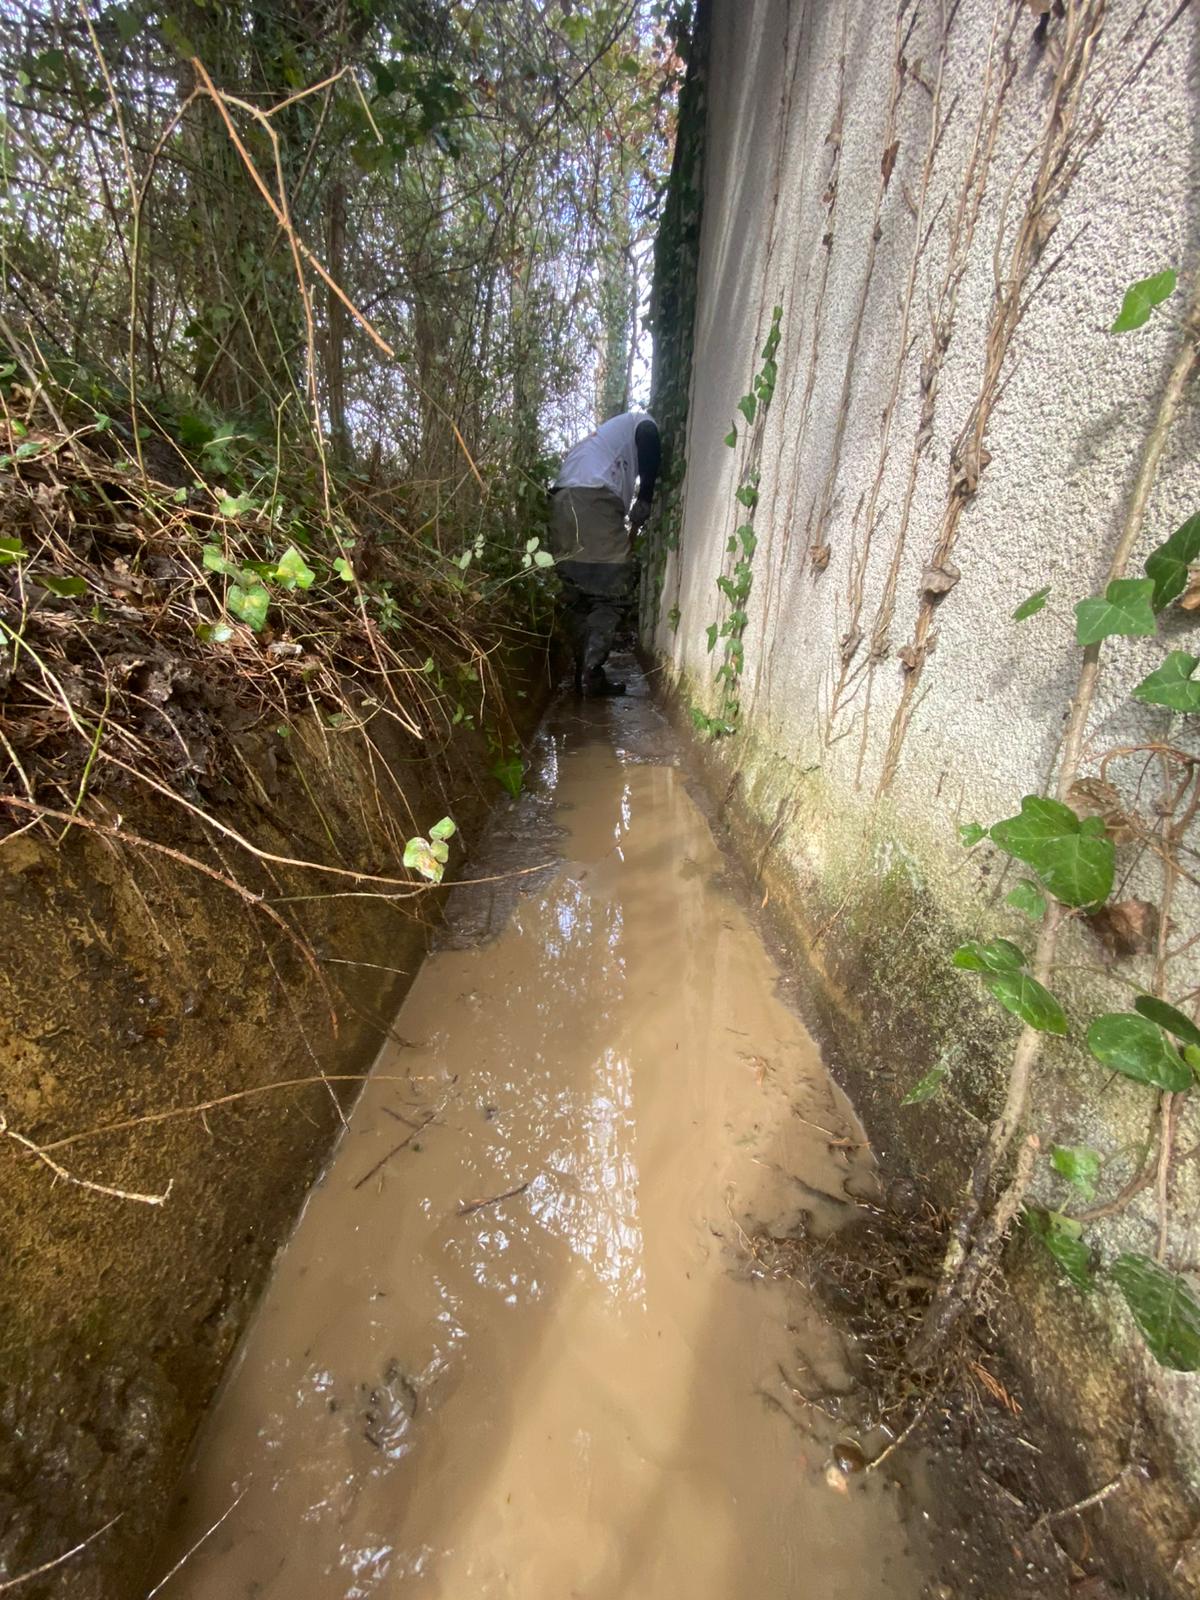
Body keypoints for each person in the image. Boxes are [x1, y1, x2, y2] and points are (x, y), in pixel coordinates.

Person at [547, 409, 660, 696]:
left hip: (561, 502)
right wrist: (646, 496)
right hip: (592, 497)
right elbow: (649, 434)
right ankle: (590, 673)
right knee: (613, 590)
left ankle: (582, 671)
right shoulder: (641, 422)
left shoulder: (605, 439)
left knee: (578, 596)